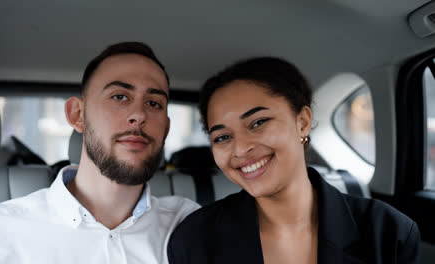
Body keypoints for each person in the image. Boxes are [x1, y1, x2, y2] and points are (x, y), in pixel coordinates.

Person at [167, 57, 420, 264]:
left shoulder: (388, 231)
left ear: (302, 123)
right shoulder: (194, 239)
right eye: (222, 137)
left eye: (258, 122)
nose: (241, 149)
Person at [0, 42, 199, 263]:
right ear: (78, 115)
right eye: (119, 97)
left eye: (154, 103)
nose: (139, 114)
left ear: (166, 128)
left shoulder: (190, 225)